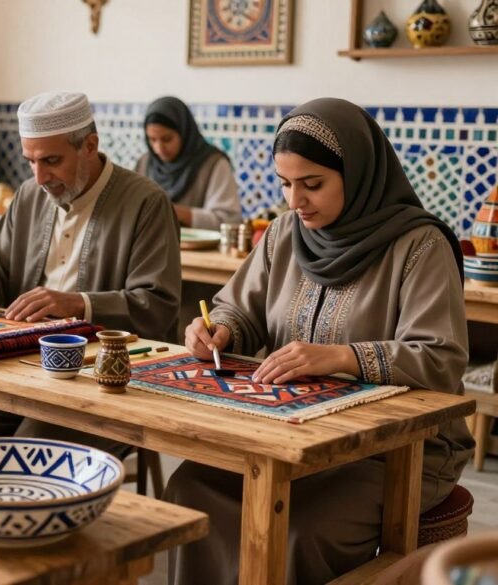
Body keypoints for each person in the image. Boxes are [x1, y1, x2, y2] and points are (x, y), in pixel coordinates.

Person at [168, 98, 474, 584]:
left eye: (312, 185)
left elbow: (440, 358)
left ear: (358, 174)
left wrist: (342, 357)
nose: (295, 202)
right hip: (296, 434)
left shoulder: (420, 246)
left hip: (394, 451)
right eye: (285, 184)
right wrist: (219, 329)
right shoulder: (284, 236)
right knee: (190, 487)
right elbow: (239, 308)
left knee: (299, 529)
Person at [0, 90, 182, 455]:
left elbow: (157, 304)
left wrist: (75, 304)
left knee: (31, 448)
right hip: (22, 367)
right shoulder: (28, 195)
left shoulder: (146, 203)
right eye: (30, 162)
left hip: (104, 381)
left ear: (90, 145)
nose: (40, 176)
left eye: (52, 161)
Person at [135, 96, 242, 230]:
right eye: (152, 140)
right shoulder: (145, 163)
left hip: (202, 250)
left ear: (184, 132)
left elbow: (229, 221)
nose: (159, 148)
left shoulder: (213, 164)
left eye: (167, 139)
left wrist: (173, 211)